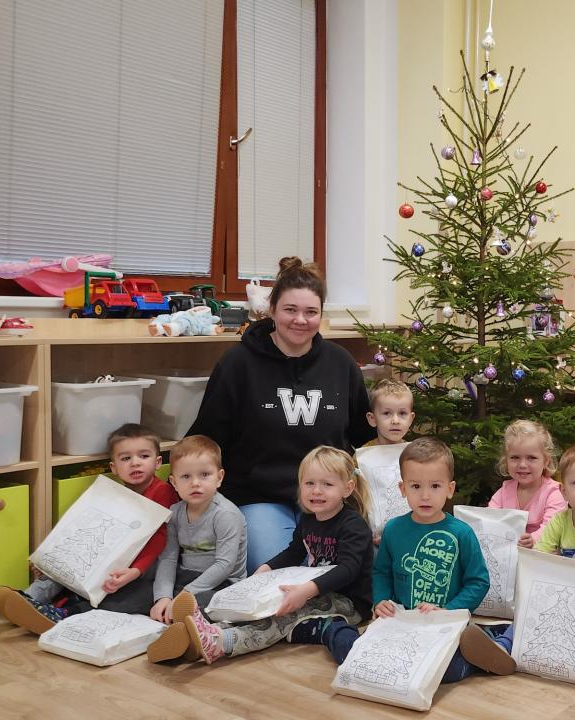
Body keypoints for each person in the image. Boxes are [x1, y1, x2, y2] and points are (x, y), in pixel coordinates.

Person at [187, 256, 374, 573]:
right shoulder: (237, 364)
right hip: (260, 498)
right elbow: (207, 439)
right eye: (290, 310)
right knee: (282, 572)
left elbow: (363, 436)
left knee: (350, 566)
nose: (300, 320)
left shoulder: (340, 363)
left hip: (328, 496)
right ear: (271, 309)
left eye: (311, 312)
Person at [147, 446, 373, 664]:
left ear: (347, 488)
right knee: (259, 608)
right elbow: (293, 552)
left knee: (283, 615)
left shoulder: (353, 526)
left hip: (349, 601)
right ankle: (204, 634)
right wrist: (265, 569)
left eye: (327, 484)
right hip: (316, 592)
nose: (316, 491)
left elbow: (348, 570)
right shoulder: (309, 519)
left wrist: (307, 590)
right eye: (309, 483)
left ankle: (221, 642)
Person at [460, 443, 575, 694]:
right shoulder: (560, 522)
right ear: (564, 491)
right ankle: (501, 650)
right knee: (524, 620)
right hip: (561, 595)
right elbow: (539, 557)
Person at [313, 437, 491, 684]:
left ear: (450, 489)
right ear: (403, 489)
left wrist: (449, 609)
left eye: (435, 486)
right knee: (358, 654)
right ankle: (333, 630)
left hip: (442, 625)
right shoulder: (394, 529)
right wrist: (381, 601)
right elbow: (382, 573)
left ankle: (487, 647)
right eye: (416, 486)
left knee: (444, 672)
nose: (425, 495)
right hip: (399, 623)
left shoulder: (462, 533)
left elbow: (478, 582)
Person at [0, 423, 177, 633]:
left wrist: (135, 570)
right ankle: (29, 599)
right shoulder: (113, 495)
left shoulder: (162, 492)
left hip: (146, 562)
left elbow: (160, 539)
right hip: (116, 555)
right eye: (125, 458)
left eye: (144, 456)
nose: (135, 463)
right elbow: (79, 527)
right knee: (70, 561)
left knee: (105, 583)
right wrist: (51, 561)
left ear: (158, 462)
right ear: (113, 467)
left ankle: (54, 610)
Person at [148, 436, 248, 627]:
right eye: (186, 477)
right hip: (186, 577)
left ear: (219, 478)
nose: (195, 483)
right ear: (174, 482)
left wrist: (186, 593)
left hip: (223, 584)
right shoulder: (175, 513)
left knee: (198, 608)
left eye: (204, 475)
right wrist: (163, 597)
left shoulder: (226, 514)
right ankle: (175, 618)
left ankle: (193, 629)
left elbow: (224, 565)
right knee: (139, 595)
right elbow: (168, 558)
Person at [487, 419, 567, 547]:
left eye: (531, 458)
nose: (522, 465)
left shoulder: (553, 492)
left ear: (545, 461)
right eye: (515, 457)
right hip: (509, 551)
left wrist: (533, 539)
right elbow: (489, 518)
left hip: (543, 552)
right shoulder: (505, 490)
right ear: (506, 460)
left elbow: (553, 527)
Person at [363, 379, 414, 446]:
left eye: (402, 413)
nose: (395, 421)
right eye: (386, 413)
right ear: (372, 419)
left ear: (411, 419)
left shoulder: (413, 451)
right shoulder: (364, 452)